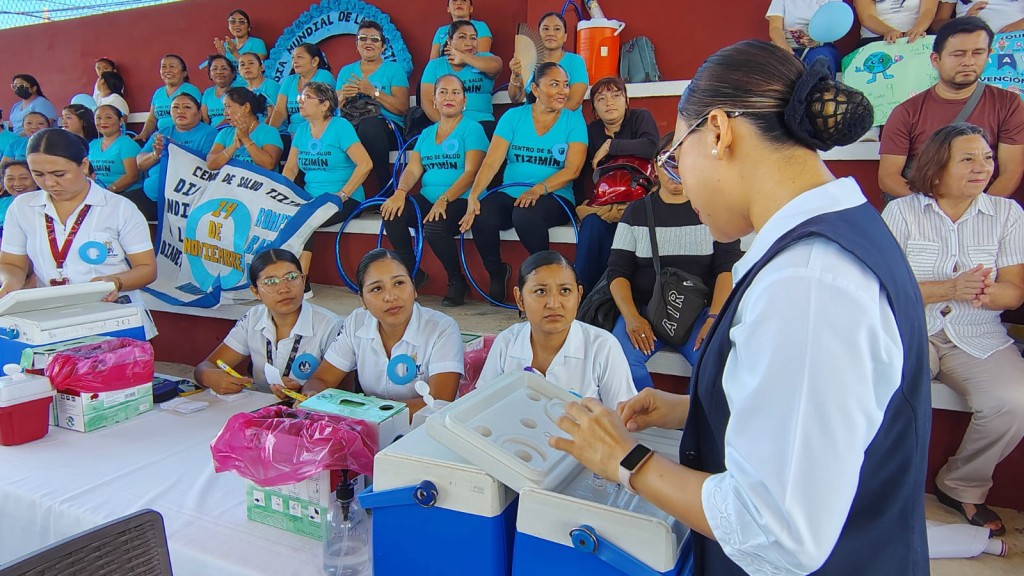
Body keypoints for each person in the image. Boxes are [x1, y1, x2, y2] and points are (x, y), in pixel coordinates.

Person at [547, 41, 932, 575]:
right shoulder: (826, 242)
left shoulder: (809, 282)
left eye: (676, 156)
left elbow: (774, 530)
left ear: (720, 132)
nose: (678, 179)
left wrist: (625, 459)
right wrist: (695, 409)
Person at [882, 122, 1024, 538]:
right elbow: (883, 287)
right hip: (912, 328)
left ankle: (960, 485)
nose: (982, 167)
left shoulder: (1007, 214)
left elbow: (1014, 293)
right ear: (937, 167)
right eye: (968, 159)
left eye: (987, 158)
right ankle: (884, 483)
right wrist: (948, 288)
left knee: (1013, 402)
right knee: (892, 389)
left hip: (977, 333)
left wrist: (986, 292)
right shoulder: (902, 212)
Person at [605, 133, 742, 391]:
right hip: (645, 309)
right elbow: (617, 270)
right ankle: (644, 418)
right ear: (656, 166)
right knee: (620, 359)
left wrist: (714, 317)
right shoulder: (636, 212)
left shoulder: (714, 208)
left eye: (682, 160)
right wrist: (632, 316)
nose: (674, 169)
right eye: (667, 160)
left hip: (698, 311)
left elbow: (727, 266)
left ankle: (690, 423)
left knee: (714, 363)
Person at [0, 129, 158, 340]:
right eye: (38, 174)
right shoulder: (22, 207)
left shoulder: (119, 208)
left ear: (83, 165)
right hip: (49, 320)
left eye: (59, 174)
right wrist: (10, 286)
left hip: (111, 318)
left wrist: (116, 281)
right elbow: (12, 263)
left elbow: (147, 269)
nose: (49, 183)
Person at [460, 62, 587, 304]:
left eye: (565, 85)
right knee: (482, 213)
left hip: (555, 196)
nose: (563, 91)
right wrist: (474, 195)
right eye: (554, 85)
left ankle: (542, 278)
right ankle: (496, 271)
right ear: (536, 90)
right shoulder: (513, 117)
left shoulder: (573, 121)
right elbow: (491, 162)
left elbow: (573, 169)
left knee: (525, 214)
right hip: (511, 192)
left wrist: (538, 189)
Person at [298, 249, 464, 414]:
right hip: (367, 427)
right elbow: (321, 379)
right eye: (377, 288)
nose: (390, 297)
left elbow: (439, 403)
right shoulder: (356, 322)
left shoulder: (442, 328)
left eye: (399, 283)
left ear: (414, 289)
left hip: (424, 433)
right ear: (362, 300)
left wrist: (366, 412)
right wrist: (312, 395)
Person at [880, 17, 1024, 200]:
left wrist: (977, 211)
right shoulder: (906, 112)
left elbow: (1011, 171)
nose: (968, 61)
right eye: (958, 54)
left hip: (984, 211)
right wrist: (935, 209)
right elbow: (888, 177)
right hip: (923, 211)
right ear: (935, 59)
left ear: (989, 55)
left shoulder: (1009, 103)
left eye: (978, 53)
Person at [479, 251, 637, 408]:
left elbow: (622, 420)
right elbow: (481, 407)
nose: (554, 304)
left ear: (579, 295)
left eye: (565, 291)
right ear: (519, 298)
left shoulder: (602, 347)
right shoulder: (506, 343)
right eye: (540, 291)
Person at [381, 74, 488, 306]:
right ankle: (412, 272)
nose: (449, 97)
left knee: (435, 227)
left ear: (464, 101)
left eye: (455, 93)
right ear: (434, 100)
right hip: (429, 197)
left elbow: (471, 173)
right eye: (443, 92)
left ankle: (455, 280)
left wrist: (444, 198)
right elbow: (413, 169)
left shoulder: (473, 129)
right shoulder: (427, 134)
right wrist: (400, 192)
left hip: (460, 198)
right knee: (392, 212)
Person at [195, 248, 342, 395]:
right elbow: (206, 366)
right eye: (271, 282)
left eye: (291, 277)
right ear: (256, 292)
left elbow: (343, 389)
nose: (284, 289)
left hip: (311, 413)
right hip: (262, 409)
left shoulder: (329, 325)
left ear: (303, 280)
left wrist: (303, 391)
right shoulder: (254, 318)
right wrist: (209, 377)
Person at [282, 82, 372, 292]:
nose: (301, 102)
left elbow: (365, 164)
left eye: (307, 97)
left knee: (306, 219)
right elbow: (291, 169)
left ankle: (301, 282)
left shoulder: (340, 127)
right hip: (310, 197)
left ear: (324, 105)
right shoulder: (302, 130)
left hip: (345, 197)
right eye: (300, 98)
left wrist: (342, 194)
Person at [575, 77, 660, 294]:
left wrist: (611, 146)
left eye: (615, 96)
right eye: (601, 99)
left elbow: (651, 147)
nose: (609, 102)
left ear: (626, 100)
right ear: (594, 108)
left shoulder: (640, 118)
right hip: (605, 204)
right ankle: (584, 296)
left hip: (640, 202)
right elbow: (582, 171)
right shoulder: (591, 131)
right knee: (591, 225)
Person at [336, 20, 410, 195]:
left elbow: (402, 108)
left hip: (388, 127)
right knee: (337, 130)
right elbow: (332, 110)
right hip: (353, 125)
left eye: (374, 40)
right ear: (357, 45)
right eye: (363, 39)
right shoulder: (346, 72)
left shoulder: (394, 69)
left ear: (383, 46)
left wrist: (372, 91)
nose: (368, 43)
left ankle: (385, 189)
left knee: (369, 125)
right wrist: (342, 97)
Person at [137, 93, 218, 220]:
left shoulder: (210, 134)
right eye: (175, 107)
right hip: (152, 195)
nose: (180, 111)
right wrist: (156, 155)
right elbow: (140, 164)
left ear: (199, 113)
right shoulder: (162, 132)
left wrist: (177, 150)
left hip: (186, 200)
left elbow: (207, 168)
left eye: (187, 107)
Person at [421, 20, 502, 136]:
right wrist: (448, 126)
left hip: (483, 124)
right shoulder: (435, 65)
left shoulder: (484, 58)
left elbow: (497, 67)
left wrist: (464, 58)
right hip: (447, 126)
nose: (469, 43)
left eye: (473, 38)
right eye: (462, 37)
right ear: (449, 41)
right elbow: (427, 102)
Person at [508, 12, 590, 111]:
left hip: (565, 122)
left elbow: (574, 102)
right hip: (531, 122)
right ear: (539, 34)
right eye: (545, 29)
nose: (551, 33)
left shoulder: (575, 61)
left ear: (565, 37)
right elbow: (515, 98)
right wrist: (515, 75)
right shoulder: (529, 61)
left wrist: (543, 117)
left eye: (557, 29)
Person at [207, 87, 283, 171]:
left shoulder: (269, 132)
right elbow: (211, 164)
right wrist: (233, 147)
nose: (224, 113)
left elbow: (269, 165)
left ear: (246, 107)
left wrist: (245, 139)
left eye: (228, 107)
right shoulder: (225, 133)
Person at [270, 43, 335, 137]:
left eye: (299, 57)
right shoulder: (289, 80)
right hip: (291, 134)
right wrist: (269, 133)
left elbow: (321, 112)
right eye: (293, 58)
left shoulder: (324, 76)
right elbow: (279, 111)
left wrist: (300, 136)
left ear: (315, 61)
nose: (294, 61)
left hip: (317, 134)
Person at [766, 0, 844, 76]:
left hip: (820, 45)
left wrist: (818, 39)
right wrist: (784, 48)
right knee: (777, 64)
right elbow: (775, 28)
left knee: (818, 61)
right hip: (788, 44)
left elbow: (836, 26)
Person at [137, 55, 203, 142]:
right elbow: (152, 120)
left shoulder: (191, 90)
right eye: (163, 67)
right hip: (161, 136)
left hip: (184, 137)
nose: (167, 70)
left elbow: (196, 118)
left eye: (172, 66)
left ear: (184, 73)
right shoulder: (158, 93)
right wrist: (143, 134)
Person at [88, 105, 141, 197]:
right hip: (98, 194)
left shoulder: (127, 144)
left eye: (108, 117)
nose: (103, 122)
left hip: (124, 195)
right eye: (98, 118)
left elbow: (132, 176)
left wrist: (108, 191)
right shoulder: (92, 145)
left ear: (120, 121)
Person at [854, 0, 938, 45]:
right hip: (876, 39)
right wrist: (888, 31)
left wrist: (918, 28)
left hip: (914, 37)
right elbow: (866, 16)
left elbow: (928, 10)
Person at [933, 0, 1024, 33]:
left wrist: (1021, 24)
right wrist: (962, 22)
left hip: (1015, 38)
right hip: (968, 38)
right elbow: (936, 25)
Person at [237, 53, 280, 124]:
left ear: (262, 67)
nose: (246, 67)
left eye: (251, 63)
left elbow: (273, 114)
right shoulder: (241, 92)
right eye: (242, 65)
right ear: (238, 71)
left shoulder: (271, 85)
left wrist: (258, 131)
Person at [0, 160, 39, 234]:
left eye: (23, 178)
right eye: (10, 179)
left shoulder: (46, 204)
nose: (17, 183)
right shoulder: (2, 202)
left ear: (36, 180)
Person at [201, 55, 237, 127]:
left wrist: (216, 130)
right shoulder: (208, 93)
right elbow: (205, 119)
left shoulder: (238, 91)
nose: (219, 72)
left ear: (233, 73)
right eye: (215, 69)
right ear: (210, 75)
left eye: (224, 68)